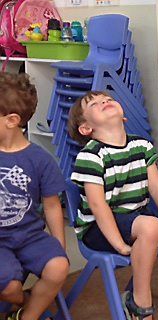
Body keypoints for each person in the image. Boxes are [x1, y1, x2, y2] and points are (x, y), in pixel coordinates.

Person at [67, 91, 158, 320]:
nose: (105, 102)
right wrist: (118, 244)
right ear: (86, 128)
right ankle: (140, 303)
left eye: (107, 99)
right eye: (96, 104)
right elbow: (98, 207)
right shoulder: (91, 156)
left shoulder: (141, 145)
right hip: (99, 227)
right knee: (150, 226)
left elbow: (156, 186)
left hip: (138, 216)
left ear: (123, 116)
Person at [0, 73, 69, 320]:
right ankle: (22, 300)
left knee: (59, 266)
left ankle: (26, 317)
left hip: (30, 235)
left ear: (12, 120)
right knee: (10, 287)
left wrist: (59, 243)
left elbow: (51, 206)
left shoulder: (40, 160)